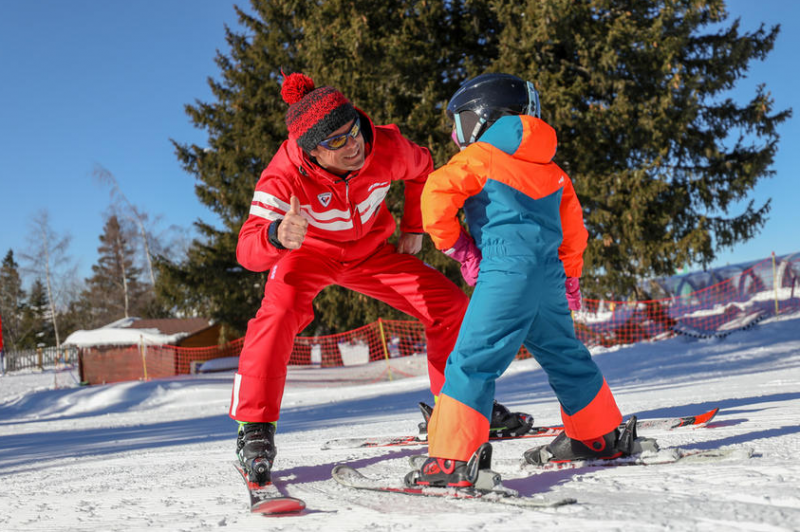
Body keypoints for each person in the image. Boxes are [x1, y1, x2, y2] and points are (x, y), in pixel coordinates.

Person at [230, 72, 528, 485]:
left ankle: (457, 405)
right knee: (276, 316)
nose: (352, 145)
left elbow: (424, 168)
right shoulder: (283, 177)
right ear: (311, 151)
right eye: (335, 142)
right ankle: (254, 428)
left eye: (351, 131)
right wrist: (276, 234)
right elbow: (247, 249)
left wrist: (414, 226)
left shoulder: (383, 145)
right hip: (308, 255)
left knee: (451, 306)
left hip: (371, 253)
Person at [411, 73, 638, 488]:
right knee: (566, 355)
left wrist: (460, 247)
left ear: (483, 118)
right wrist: (570, 278)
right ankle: (597, 436)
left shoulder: (479, 157)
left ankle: (452, 461)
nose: (454, 134)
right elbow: (574, 232)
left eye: (459, 122)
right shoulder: (553, 171)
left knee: (473, 361)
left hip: (504, 271)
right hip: (549, 277)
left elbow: (435, 197)